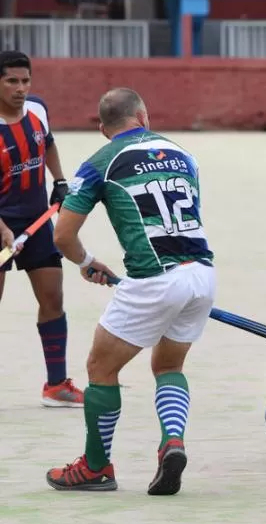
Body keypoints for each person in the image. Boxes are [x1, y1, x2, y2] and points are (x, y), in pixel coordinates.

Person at [45, 88, 216, 495]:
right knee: (169, 367)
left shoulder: (100, 162)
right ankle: (171, 441)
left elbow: (63, 236)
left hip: (153, 280)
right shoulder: (182, 153)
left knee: (101, 370)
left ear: (104, 129)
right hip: (202, 274)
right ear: (143, 115)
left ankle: (96, 467)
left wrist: (87, 263)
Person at [0, 50, 83, 407]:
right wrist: (2, 229)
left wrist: (59, 180)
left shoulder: (37, 110)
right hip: (1, 223)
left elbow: (47, 143)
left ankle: (56, 386)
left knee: (53, 297)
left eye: (26, 80)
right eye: (11, 81)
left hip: (37, 221)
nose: (21, 88)